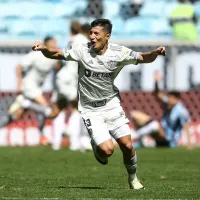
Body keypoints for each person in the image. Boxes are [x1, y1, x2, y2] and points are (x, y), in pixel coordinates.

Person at [31, 18, 166, 189]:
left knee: (127, 145)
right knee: (107, 150)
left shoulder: (119, 53)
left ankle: (133, 178)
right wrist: (44, 49)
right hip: (90, 110)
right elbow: (56, 53)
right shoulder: (82, 50)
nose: (92, 37)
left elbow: (143, 57)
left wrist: (155, 52)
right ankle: (97, 147)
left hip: (111, 105)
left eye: (97, 34)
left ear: (107, 36)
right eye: (91, 33)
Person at [0, 36, 60, 145]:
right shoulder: (36, 55)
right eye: (53, 42)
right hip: (29, 86)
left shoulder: (54, 57)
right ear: (46, 44)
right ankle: (42, 136)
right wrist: (19, 83)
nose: (56, 44)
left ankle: (26, 108)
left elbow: (58, 66)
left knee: (15, 115)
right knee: (46, 109)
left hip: (37, 87)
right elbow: (19, 67)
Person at [51, 22, 91, 150]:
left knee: (60, 108)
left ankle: (56, 143)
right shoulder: (84, 40)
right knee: (76, 108)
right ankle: (75, 143)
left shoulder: (70, 39)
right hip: (70, 78)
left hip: (62, 76)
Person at [130, 72, 191, 148]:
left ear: (177, 100)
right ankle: (141, 142)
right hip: (161, 135)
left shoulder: (182, 111)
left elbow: (186, 125)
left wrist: (189, 144)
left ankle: (131, 137)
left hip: (169, 141)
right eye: (169, 98)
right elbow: (157, 94)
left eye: (171, 98)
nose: (169, 100)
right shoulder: (168, 102)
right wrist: (156, 82)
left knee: (155, 125)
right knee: (135, 115)